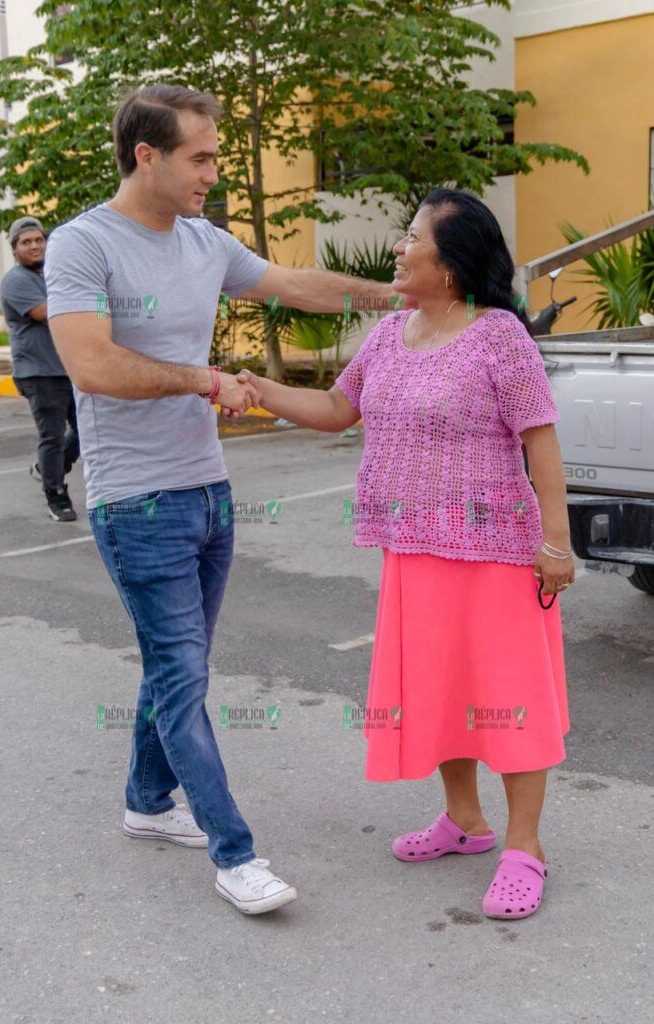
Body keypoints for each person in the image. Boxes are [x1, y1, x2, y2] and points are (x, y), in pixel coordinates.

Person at [44, 84, 404, 916]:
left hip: (208, 491)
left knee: (178, 670)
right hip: (136, 503)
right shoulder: (82, 245)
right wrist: (206, 380)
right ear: (148, 155)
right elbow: (93, 366)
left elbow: (296, 284)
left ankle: (145, 802)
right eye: (200, 157)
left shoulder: (205, 242)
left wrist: (392, 295)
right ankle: (234, 853)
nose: (213, 173)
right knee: (182, 674)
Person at [234, 188, 574, 921]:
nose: (398, 247)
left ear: (449, 266)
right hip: (414, 550)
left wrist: (557, 543)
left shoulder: (498, 337)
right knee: (442, 691)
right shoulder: (389, 333)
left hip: (496, 554)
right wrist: (256, 389)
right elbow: (334, 410)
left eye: (411, 236)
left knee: (509, 702)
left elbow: (539, 439)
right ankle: (466, 823)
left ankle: (525, 847)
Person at [0, 217, 80, 522]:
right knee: (52, 436)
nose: (34, 246)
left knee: (87, 427)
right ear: (15, 249)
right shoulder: (16, 281)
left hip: (69, 368)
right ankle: (56, 495)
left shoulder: (53, 275)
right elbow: (52, 313)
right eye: (26, 242)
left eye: (39, 240)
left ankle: (52, 467)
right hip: (39, 373)